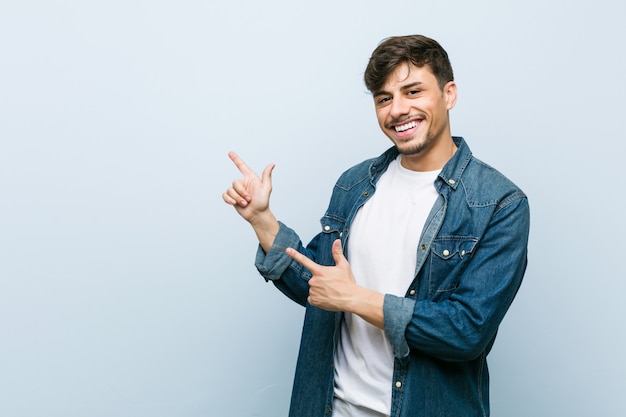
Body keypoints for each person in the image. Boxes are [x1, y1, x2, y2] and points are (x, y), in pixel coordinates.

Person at [222, 34, 530, 417]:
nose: (397, 110)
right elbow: (319, 288)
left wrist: (355, 298)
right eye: (384, 98)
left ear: (449, 94)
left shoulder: (499, 203)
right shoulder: (354, 185)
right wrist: (261, 219)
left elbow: (466, 331)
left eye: (413, 91)